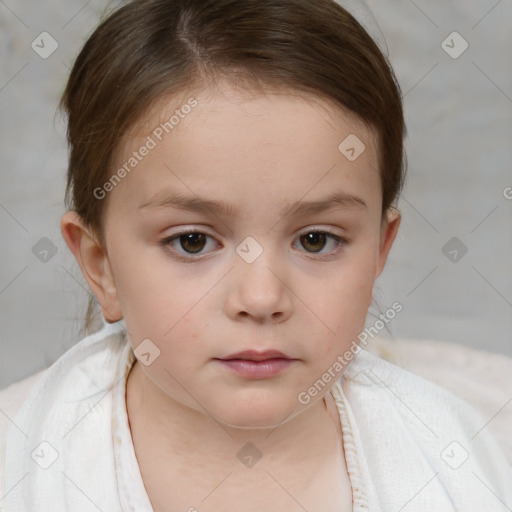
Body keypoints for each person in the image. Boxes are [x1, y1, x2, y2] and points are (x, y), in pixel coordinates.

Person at [2, 0, 511, 510]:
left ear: (380, 248)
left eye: (316, 240)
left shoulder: (464, 461)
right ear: (101, 265)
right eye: (193, 241)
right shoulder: (19, 465)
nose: (262, 298)